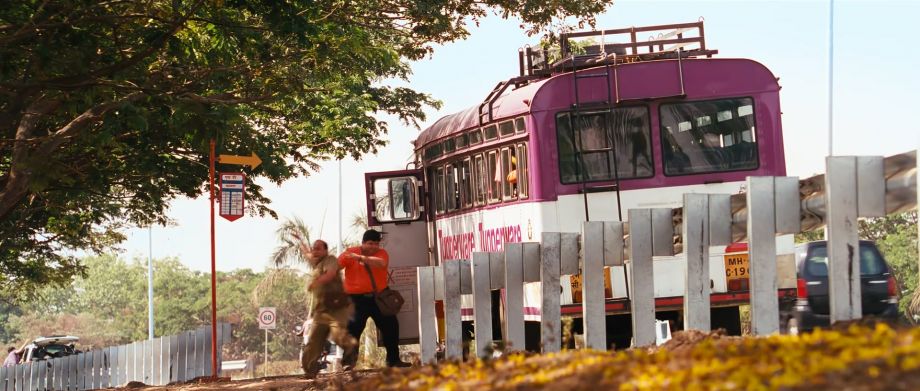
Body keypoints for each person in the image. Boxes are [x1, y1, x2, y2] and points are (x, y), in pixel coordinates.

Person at [339, 229, 411, 368]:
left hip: (379, 298)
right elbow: (336, 266)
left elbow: (381, 263)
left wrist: (360, 258)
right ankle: (348, 362)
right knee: (352, 330)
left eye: (376, 244)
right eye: (370, 243)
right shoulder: (350, 252)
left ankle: (393, 360)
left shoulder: (382, 253)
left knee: (391, 327)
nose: (373, 247)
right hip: (355, 300)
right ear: (363, 243)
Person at [298, 238, 357, 379]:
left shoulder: (330, 260)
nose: (315, 251)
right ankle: (310, 370)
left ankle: (350, 353)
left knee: (338, 335)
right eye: (314, 248)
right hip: (321, 310)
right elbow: (307, 254)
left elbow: (330, 274)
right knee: (314, 341)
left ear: (325, 250)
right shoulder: (316, 263)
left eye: (319, 248)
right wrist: (299, 239)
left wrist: (315, 282)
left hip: (337, 308)